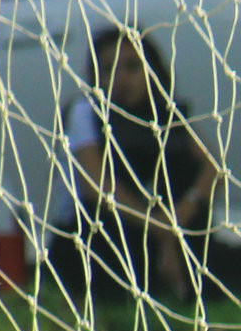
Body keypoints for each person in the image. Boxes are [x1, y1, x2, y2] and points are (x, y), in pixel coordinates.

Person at [54, 27, 223, 303]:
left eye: (132, 67)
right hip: (99, 232)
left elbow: (212, 168)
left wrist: (180, 215)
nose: (122, 79)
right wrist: (159, 229)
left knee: (184, 168)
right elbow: (96, 187)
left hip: (161, 224)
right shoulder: (86, 112)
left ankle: (192, 280)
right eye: (110, 69)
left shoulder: (165, 112)